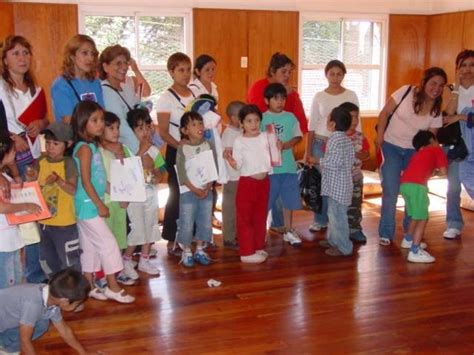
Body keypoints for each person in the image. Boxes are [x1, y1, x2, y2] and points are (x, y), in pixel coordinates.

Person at [71, 100, 134, 303]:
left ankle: (89, 284)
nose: (100, 124)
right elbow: (86, 181)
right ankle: (113, 286)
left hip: (88, 204)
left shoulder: (92, 146)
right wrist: (99, 204)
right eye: (94, 120)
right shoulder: (85, 149)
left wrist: (115, 192)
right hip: (87, 206)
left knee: (90, 246)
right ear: (82, 123)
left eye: (101, 120)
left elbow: (100, 180)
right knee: (108, 243)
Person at [376, 67, 447, 246]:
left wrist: (432, 164)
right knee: (391, 189)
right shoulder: (406, 91)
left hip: (414, 153)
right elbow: (384, 113)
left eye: (441, 85)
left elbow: (430, 141)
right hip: (391, 145)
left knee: (413, 193)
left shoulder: (436, 111)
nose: (436, 88)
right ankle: (386, 232)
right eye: (433, 83)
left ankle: (410, 233)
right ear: (424, 83)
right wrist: (380, 137)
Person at [0, 35, 49, 285]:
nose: (22, 58)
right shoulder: (0, 86)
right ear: (5, 59)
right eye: (16, 53)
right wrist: (10, 136)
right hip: (9, 157)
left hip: (33, 154)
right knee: (18, 216)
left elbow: (45, 120)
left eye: (26, 53)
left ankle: (31, 271)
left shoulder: (35, 89)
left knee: (32, 215)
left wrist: (39, 124)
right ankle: (21, 274)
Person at [248, 52, 308, 233]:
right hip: (263, 151)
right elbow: (254, 115)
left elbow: (301, 124)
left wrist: (292, 145)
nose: (287, 76)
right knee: (267, 191)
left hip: (285, 153)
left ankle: (281, 226)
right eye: (284, 71)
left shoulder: (292, 94)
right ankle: (260, 226)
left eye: (290, 72)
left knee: (284, 187)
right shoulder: (259, 87)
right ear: (273, 72)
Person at [306, 60, 359, 233]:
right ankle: (320, 219)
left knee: (339, 184)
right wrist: (308, 152)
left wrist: (357, 144)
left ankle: (337, 222)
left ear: (344, 75)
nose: (335, 78)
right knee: (322, 184)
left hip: (343, 143)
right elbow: (312, 126)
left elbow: (357, 122)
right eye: (332, 73)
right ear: (326, 75)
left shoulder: (351, 95)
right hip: (321, 143)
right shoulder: (319, 96)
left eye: (339, 74)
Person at [157, 52, 195, 255]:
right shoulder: (166, 98)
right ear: (171, 72)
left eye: (188, 69)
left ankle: (189, 235)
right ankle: (172, 238)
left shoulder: (194, 94)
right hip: (177, 151)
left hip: (196, 151)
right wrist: (180, 145)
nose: (185, 74)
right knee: (177, 194)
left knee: (193, 193)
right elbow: (162, 130)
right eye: (181, 70)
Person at [0, 269, 90, 354]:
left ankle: (5, 345)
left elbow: (65, 331)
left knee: (43, 324)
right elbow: (25, 340)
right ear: (64, 301)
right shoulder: (33, 303)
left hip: (7, 321)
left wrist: (83, 353)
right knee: (37, 326)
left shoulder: (51, 297)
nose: (78, 306)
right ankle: (4, 345)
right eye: (77, 303)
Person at [226, 105, 272, 264]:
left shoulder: (265, 136)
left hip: (264, 182)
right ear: (241, 123)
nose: (254, 124)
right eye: (249, 121)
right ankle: (246, 252)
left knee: (260, 216)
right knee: (245, 217)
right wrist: (232, 162)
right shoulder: (239, 140)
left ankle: (258, 246)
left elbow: (273, 157)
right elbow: (238, 165)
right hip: (247, 183)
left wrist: (277, 147)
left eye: (257, 120)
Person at [121, 108, 163, 276]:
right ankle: (126, 260)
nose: (145, 132)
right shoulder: (126, 150)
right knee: (137, 230)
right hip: (134, 199)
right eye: (139, 129)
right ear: (131, 131)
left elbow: (160, 174)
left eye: (147, 127)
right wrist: (139, 155)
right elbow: (124, 173)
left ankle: (144, 260)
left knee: (150, 227)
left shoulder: (154, 150)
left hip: (151, 196)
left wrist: (154, 171)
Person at [37, 122, 81, 278]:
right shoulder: (41, 162)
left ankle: (73, 294)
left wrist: (58, 181)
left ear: (67, 144)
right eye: (47, 143)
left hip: (64, 224)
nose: (50, 147)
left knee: (69, 261)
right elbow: (34, 186)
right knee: (48, 260)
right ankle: (56, 293)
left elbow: (73, 189)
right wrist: (29, 178)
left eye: (55, 143)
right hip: (44, 223)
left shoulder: (68, 163)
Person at [261, 83, 303, 246]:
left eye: (282, 98)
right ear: (267, 100)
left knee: (289, 200)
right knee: (266, 201)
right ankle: (260, 231)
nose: (280, 102)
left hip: (288, 167)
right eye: (275, 99)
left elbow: (298, 136)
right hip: (269, 169)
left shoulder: (290, 117)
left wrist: (286, 145)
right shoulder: (262, 118)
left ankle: (288, 229)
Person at [0, 133, 41, 289]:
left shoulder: (5, 175)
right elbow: (2, 207)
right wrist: (26, 206)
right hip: (2, 242)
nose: (15, 153)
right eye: (12, 151)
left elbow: (17, 188)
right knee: (6, 285)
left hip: (11, 237)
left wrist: (22, 178)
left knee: (17, 279)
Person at [400, 131, 448, 262]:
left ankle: (408, 239)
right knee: (422, 218)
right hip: (417, 187)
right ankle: (415, 251)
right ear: (432, 141)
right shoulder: (436, 150)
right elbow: (444, 172)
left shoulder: (418, 154)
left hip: (404, 185)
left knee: (415, 215)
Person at [175, 112, 216, 267]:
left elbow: (213, 167)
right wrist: (195, 189)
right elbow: (182, 173)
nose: (199, 127)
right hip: (188, 192)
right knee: (187, 221)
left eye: (200, 123)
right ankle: (186, 250)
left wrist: (208, 187)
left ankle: (199, 249)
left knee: (205, 221)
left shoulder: (208, 145)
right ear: (184, 130)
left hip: (206, 191)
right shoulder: (183, 148)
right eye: (194, 124)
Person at [442, 49, 474, 239]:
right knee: (453, 186)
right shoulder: (452, 89)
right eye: (463, 65)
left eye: (471, 65)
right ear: (457, 68)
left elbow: (455, 116)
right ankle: (454, 222)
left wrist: (461, 116)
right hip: (457, 143)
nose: (468, 69)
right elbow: (447, 116)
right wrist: (456, 89)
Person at [99, 44, 152, 154]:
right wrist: (141, 152)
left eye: (125, 63)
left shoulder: (125, 87)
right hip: (124, 150)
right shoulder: (105, 91)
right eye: (118, 63)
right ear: (105, 67)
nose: (124, 67)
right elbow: (122, 127)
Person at [317, 107, 354, 256]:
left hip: (337, 187)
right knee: (334, 215)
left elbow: (335, 162)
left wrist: (318, 160)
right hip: (342, 185)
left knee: (338, 218)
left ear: (332, 124)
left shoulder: (334, 139)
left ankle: (344, 247)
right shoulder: (346, 139)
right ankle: (333, 240)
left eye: (328, 120)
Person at [51, 34, 104, 124]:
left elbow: (102, 114)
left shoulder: (95, 82)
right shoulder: (61, 85)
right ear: (72, 56)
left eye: (92, 53)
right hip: (73, 136)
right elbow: (68, 120)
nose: (90, 58)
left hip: (96, 134)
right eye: (84, 53)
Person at [338, 102, 370, 243]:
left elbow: (367, 154)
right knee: (339, 208)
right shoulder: (336, 137)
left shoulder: (360, 137)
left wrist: (358, 155)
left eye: (357, 117)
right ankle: (338, 232)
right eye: (351, 117)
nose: (354, 121)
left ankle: (355, 229)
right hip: (339, 181)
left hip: (356, 178)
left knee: (355, 206)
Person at [221, 101, 245, 249]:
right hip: (232, 177)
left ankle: (236, 234)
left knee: (238, 207)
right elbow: (231, 156)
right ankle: (229, 237)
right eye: (242, 116)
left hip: (240, 175)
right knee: (230, 207)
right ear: (234, 118)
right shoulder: (230, 134)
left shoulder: (239, 132)